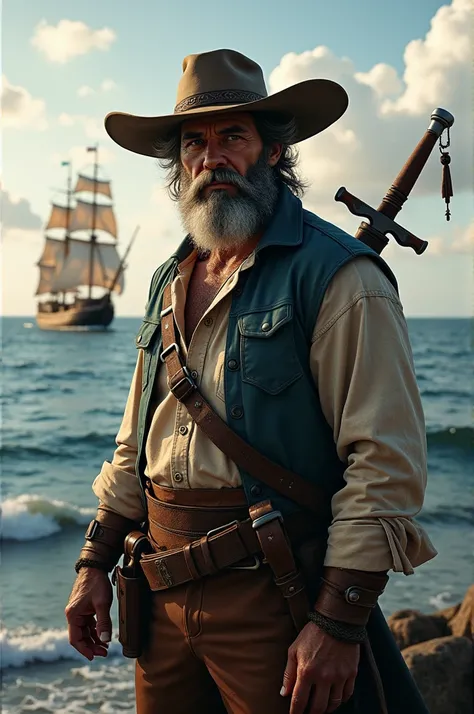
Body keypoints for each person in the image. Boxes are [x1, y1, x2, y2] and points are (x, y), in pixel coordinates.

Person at [65, 49, 437, 714]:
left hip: (276, 596)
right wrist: (93, 562)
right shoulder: (167, 281)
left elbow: (384, 463)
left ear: (271, 150)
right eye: (194, 143)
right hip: (158, 596)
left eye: (232, 136)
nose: (212, 158)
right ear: (179, 164)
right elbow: (134, 446)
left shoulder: (341, 278)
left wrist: (337, 622)